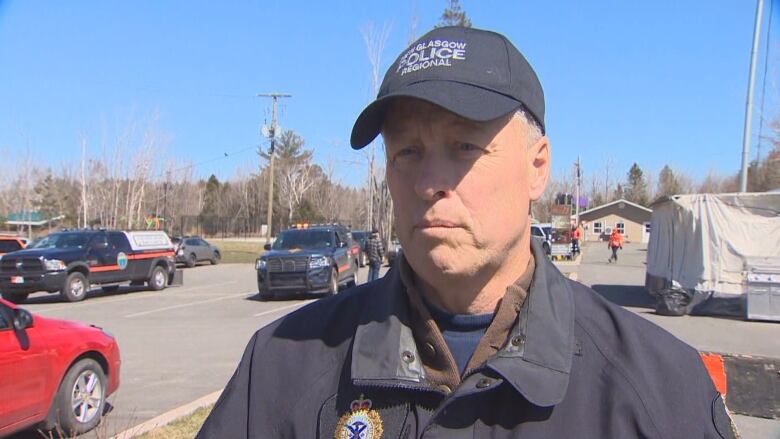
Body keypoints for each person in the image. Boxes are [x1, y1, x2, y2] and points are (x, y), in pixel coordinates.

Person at [197, 26, 736, 439]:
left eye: (465, 147)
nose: (431, 182)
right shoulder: (281, 369)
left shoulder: (656, 389)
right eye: (407, 151)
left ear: (536, 166)